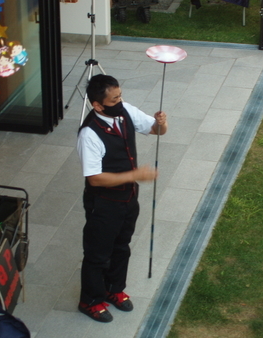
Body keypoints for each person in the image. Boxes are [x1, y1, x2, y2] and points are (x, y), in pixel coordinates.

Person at [76, 74, 168, 323]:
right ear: (97, 105)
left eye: (120, 96)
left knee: (121, 247)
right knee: (97, 254)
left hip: (128, 198)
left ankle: (113, 289)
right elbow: (94, 178)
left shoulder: (124, 110)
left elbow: (155, 129)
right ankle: (91, 301)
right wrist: (135, 174)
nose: (120, 101)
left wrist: (162, 123)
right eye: (114, 98)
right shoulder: (89, 135)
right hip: (103, 204)